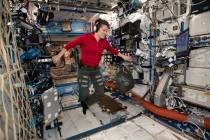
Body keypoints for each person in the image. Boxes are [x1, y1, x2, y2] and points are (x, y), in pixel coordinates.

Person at [52, 18, 131, 114]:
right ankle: (84, 101)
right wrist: (58, 56)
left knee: (100, 92)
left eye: (107, 31)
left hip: (95, 69)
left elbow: (113, 50)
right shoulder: (85, 37)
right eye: (104, 30)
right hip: (84, 69)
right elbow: (69, 45)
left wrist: (124, 56)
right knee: (84, 93)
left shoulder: (104, 42)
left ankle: (86, 104)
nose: (106, 33)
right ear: (97, 28)